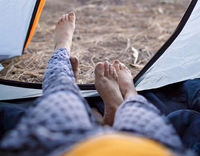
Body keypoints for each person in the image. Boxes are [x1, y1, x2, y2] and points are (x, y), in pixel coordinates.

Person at [0, 12, 194, 156]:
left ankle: (62, 47)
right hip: (150, 149)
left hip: (60, 146)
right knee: (138, 107)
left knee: (60, 86)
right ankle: (125, 99)